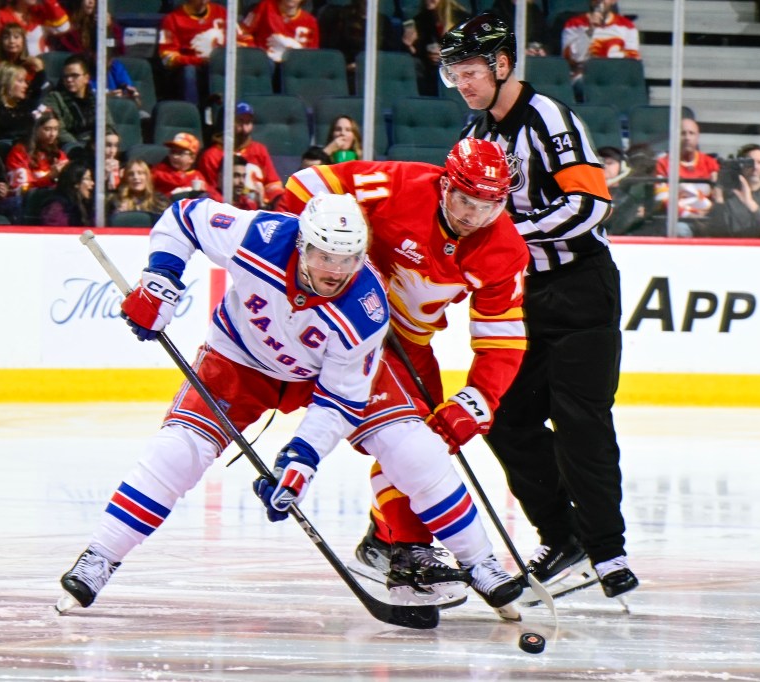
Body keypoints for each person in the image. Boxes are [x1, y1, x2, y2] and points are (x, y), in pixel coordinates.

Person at [56, 192, 524, 619]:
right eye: (323, 255)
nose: (334, 270)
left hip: (323, 376)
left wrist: (300, 461)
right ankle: (100, 556)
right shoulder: (259, 236)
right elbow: (184, 218)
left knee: (414, 449)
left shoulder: (366, 309)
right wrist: (160, 280)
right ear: (302, 244)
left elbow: (339, 400)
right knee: (176, 453)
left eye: (347, 259)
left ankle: (481, 563)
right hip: (240, 359)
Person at [438, 13, 638, 599]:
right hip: (527, 298)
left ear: (502, 65)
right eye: (455, 73)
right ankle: (562, 534)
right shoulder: (477, 138)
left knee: (582, 423)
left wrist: (512, 234)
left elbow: (590, 205)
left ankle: (608, 552)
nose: (464, 83)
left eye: (471, 71)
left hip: (580, 290)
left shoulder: (549, 118)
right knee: (503, 416)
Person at [284, 138, 532, 609]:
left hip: (409, 344)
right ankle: (409, 553)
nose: (472, 216)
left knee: (433, 441)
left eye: (489, 206)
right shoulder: (397, 185)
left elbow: (501, 338)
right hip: (343, 324)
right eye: (464, 200)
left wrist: (478, 401)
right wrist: (305, 253)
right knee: (407, 434)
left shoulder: (505, 249)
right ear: (445, 185)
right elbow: (308, 184)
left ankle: (385, 537)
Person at [198, 102, 284, 208]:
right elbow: (212, 191)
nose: (244, 128)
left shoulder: (259, 150)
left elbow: (273, 183)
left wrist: (274, 202)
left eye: (248, 122)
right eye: (240, 121)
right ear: (228, 123)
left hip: (259, 208)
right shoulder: (211, 155)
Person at [701, 144, 760, 239]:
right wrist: (719, 200)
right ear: (741, 166)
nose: (755, 167)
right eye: (750, 163)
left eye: (759, 162)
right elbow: (716, 231)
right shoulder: (728, 194)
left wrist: (750, 203)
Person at [653, 117, 720, 237]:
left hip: (708, 218)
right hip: (680, 220)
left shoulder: (710, 163)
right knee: (679, 231)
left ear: (697, 137)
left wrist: (709, 216)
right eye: (683, 133)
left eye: (691, 133)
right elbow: (663, 199)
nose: (687, 138)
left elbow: (719, 196)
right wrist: (690, 216)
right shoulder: (663, 163)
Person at [560, 0, 640, 95]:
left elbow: (632, 61)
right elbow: (575, 59)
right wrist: (590, 29)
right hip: (585, 77)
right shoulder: (573, 24)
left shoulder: (627, 26)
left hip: (616, 77)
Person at [158, 0, 229, 103]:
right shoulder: (171, 19)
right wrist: (198, 61)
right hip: (193, 68)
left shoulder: (222, 12)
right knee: (189, 71)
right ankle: (192, 111)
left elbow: (241, 38)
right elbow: (167, 57)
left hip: (220, 64)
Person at [39, 55, 113, 147]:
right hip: (72, 146)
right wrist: (81, 147)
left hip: (98, 145)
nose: (69, 80)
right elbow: (60, 131)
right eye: (66, 76)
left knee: (134, 152)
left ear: (86, 78)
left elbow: (108, 125)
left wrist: (106, 143)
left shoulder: (96, 99)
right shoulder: (54, 98)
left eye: (74, 75)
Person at [403, 0, 470, 96]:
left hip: (456, 70)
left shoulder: (462, 19)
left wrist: (446, 54)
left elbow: (470, 50)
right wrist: (409, 45)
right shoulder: (420, 21)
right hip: (429, 73)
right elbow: (416, 54)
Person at [5, 109, 69, 195]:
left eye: (56, 129)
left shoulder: (58, 153)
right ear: (34, 129)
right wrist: (50, 177)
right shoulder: (19, 153)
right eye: (47, 129)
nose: (52, 134)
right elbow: (21, 190)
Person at [240, 0, 319, 64]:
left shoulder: (310, 22)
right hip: (264, 64)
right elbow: (243, 32)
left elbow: (312, 55)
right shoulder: (266, 6)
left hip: (292, 68)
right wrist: (258, 53)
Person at [598, 145, 651, 236]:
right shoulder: (584, 192)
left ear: (622, 167)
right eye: (600, 163)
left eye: (610, 163)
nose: (604, 166)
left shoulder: (633, 194)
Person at [0, 0, 71, 56]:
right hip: (15, 70)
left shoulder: (40, 12)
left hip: (41, 69)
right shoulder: (2, 15)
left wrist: (50, 1)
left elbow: (63, 28)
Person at [151, 132, 213, 200]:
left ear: (192, 158)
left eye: (180, 153)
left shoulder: (197, 176)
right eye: (172, 152)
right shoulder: (160, 169)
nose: (174, 156)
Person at [38, 160, 94, 226]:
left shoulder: (84, 205)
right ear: (76, 182)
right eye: (88, 179)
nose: (92, 183)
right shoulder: (56, 208)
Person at [0, 63, 37, 144]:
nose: (26, 86)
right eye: (20, 81)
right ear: (6, 83)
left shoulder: (25, 108)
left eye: (25, 81)